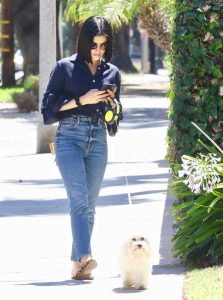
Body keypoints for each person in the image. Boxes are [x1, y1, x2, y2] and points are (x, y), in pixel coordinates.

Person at [41, 16, 122, 280]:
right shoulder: (65, 68)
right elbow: (48, 109)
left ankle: (77, 266)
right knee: (78, 201)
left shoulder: (112, 73)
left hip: (98, 138)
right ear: (84, 42)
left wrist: (114, 109)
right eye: (94, 45)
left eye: (102, 46)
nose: (98, 51)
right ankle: (86, 255)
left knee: (90, 205)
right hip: (69, 138)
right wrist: (81, 99)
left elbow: (114, 120)